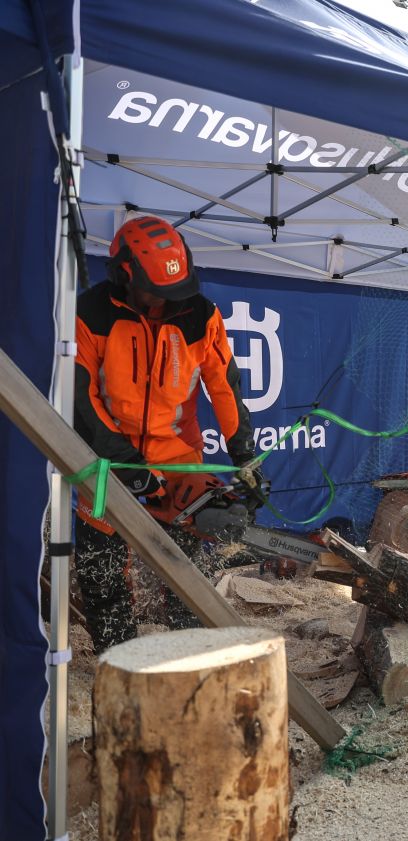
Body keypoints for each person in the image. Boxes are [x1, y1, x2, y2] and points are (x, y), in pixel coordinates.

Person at [74, 215, 257, 652]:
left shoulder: (201, 314)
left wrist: (244, 455)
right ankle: (116, 656)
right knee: (101, 571)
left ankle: (186, 652)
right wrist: (124, 462)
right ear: (124, 276)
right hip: (107, 458)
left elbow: (224, 385)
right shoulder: (92, 313)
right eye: (156, 290)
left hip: (179, 457)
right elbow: (80, 396)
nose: (167, 300)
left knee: (185, 572)